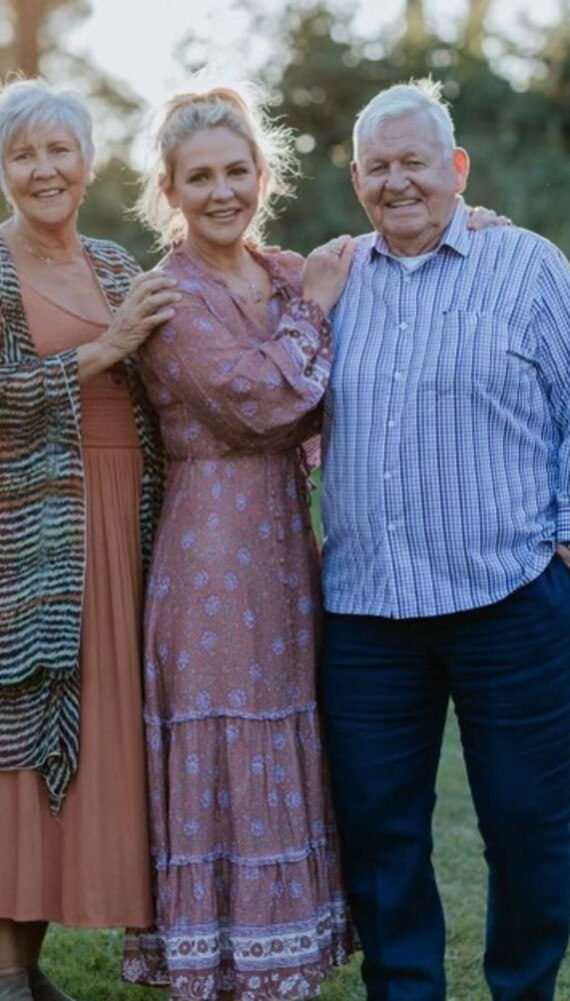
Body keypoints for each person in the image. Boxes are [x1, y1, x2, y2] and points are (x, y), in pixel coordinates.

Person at [0, 78, 179, 1001]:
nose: (43, 169)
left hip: (113, 531)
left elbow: (212, 316)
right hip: (16, 551)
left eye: (58, 150)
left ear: (87, 162)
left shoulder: (116, 265)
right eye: (22, 154)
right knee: (13, 750)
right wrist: (99, 352)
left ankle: (28, 971)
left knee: (84, 748)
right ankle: (0, 974)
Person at [320, 77, 570, 1001]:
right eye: (378, 166)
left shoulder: (531, 266)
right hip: (368, 614)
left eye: (415, 161)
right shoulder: (328, 281)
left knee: (529, 825)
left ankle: (526, 988)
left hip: (511, 599)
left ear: (456, 169)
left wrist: (565, 543)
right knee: (381, 836)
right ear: (355, 179)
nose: (398, 181)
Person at [120, 86, 357, 1001]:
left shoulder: (293, 272)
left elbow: (398, 253)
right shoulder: (168, 298)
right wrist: (315, 313)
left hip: (286, 551)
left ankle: (280, 954)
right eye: (200, 177)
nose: (223, 191)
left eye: (236, 170)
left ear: (264, 175)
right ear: (170, 190)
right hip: (209, 548)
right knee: (225, 737)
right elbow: (264, 399)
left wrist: (478, 217)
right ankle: (219, 961)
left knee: (285, 723)